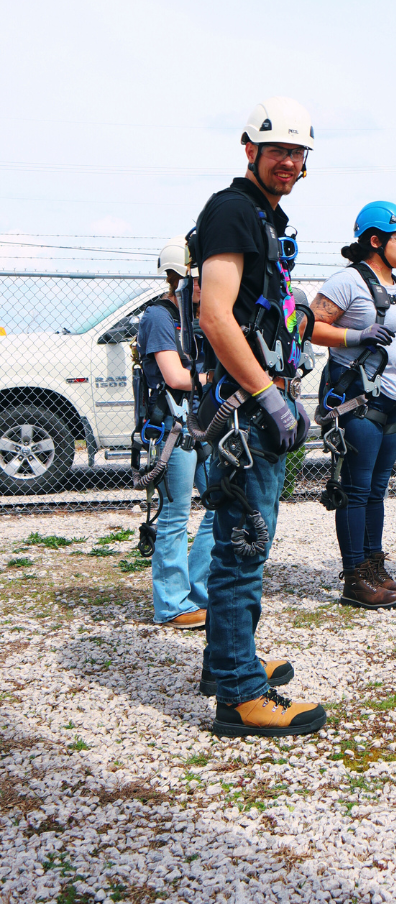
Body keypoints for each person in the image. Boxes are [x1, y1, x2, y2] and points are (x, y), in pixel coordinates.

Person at [192, 96, 324, 737]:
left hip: (254, 396)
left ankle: (229, 662)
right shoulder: (233, 211)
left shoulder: (265, 218)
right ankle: (241, 695)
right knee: (245, 545)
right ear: (251, 151)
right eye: (278, 151)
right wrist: (268, 396)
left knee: (237, 541)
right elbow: (216, 315)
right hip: (245, 405)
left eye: (298, 153)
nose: (289, 162)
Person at [310, 202, 396, 610]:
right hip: (360, 401)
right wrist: (356, 336)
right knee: (356, 490)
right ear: (375, 240)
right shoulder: (347, 281)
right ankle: (354, 577)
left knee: (377, 489)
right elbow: (309, 326)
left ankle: (374, 567)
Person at [136, 237, 215, 628]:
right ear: (180, 278)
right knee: (174, 516)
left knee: (220, 506)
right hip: (175, 427)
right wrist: (218, 377)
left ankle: (197, 593)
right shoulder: (159, 318)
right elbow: (174, 376)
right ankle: (171, 605)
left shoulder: (204, 317)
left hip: (204, 425)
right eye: (202, 278)